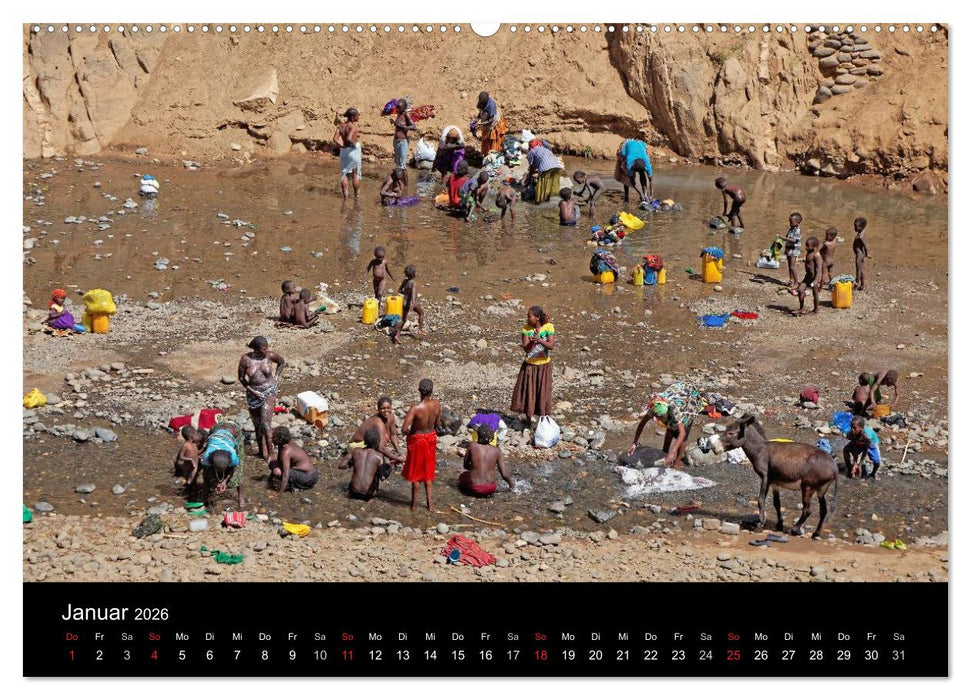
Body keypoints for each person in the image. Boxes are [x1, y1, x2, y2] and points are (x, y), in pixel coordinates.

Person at [237, 336, 286, 460]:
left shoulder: (270, 356)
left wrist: (276, 378)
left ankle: (271, 453)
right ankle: (262, 451)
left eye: (267, 348)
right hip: (253, 394)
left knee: (265, 423)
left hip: (269, 392)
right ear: (256, 349)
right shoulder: (246, 359)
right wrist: (253, 391)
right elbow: (242, 378)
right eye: (264, 349)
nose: (266, 351)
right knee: (257, 424)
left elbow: (282, 362)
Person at [627, 391, 697, 468]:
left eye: (661, 417)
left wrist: (673, 452)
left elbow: (682, 433)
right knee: (670, 430)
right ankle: (664, 453)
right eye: (658, 417)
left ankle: (677, 461)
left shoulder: (674, 411)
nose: (658, 419)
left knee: (681, 439)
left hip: (686, 408)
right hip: (671, 413)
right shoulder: (654, 410)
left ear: (666, 413)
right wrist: (634, 443)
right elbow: (641, 425)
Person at [511, 306, 555, 428]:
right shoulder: (526, 329)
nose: (527, 318)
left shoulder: (548, 327)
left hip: (544, 366)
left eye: (529, 316)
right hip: (530, 365)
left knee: (543, 391)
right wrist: (531, 341)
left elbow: (551, 346)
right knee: (529, 391)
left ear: (537, 318)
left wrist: (539, 340)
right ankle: (529, 419)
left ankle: (542, 418)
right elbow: (525, 348)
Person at [401, 379, 441, 510]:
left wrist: (410, 433)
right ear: (432, 391)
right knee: (428, 472)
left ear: (419, 390)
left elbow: (403, 429)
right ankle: (430, 504)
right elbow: (437, 425)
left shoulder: (415, 408)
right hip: (430, 439)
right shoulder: (436, 404)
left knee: (416, 474)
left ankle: (413, 505)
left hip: (417, 441)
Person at [336, 396, 404, 470]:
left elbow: (393, 435)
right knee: (379, 447)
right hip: (356, 444)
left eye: (388, 408)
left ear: (391, 407)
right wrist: (397, 458)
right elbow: (381, 448)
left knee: (385, 437)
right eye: (383, 408)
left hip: (368, 443)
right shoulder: (378, 422)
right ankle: (356, 459)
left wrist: (399, 452)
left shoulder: (391, 417)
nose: (386, 410)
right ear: (378, 409)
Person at [459, 424, 515, 497]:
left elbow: (465, 465)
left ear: (478, 435)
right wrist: (512, 486)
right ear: (491, 436)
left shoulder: (472, 446)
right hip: (491, 489)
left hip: (475, 488)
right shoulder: (497, 450)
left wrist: (475, 469)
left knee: (462, 477)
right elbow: (504, 474)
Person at [200, 421, 245, 509]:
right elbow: (208, 469)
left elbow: (235, 468)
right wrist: (214, 481)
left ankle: (241, 496)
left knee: (239, 470)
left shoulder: (233, 456)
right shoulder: (206, 456)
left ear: (229, 462)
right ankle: (206, 496)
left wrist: (225, 481)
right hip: (216, 429)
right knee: (206, 474)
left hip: (234, 431)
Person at [340, 427, 392, 501]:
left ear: (364, 440)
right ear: (378, 441)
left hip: (353, 492)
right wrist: (389, 468)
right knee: (376, 470)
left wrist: (353, 463)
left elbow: (341, 466)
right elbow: (382, 478)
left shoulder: (355, 451)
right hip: (367, 495)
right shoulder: (379, 456)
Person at [268, 426, 319, 492]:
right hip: (312, 474)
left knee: (277, 471)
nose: (271, 439)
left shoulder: (286, 452)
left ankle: (291, 486)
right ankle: (287, 483)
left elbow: (285, 475)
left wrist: (280, 494)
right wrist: (269, 480)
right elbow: (279, 461)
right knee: (273, 464)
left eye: (273, 437)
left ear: (280, 439)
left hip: (309, 478)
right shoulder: (285, 444)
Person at [334, 108, 361, 200]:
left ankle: (345, 196)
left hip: (344, 152)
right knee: (355, 174)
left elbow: (335, 139)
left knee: (344, 174)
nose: (359, 117)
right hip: (353, 151)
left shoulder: (340, 126)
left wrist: (341, 146)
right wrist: (354, 145)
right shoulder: (352, 126)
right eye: (357, 115)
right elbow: (349, 138)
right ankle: (356, 196)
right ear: (352, 117)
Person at [394, 264, 425, 343]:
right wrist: (412, 304)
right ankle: (420, 330)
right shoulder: (414, 283)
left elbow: (399, 291)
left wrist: (406, 294)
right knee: (421, 313)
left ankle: (397, 335)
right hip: (411, 303)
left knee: (403, 320)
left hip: (404, 303)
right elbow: (414, 295)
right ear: (414, 273)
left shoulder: (405, 281)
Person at [844, 415, 881, 479]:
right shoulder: (851, 434)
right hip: (858, 443)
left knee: (876, 461)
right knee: (845, 449)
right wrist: (855, 463)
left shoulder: (867, 436)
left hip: (871, 444)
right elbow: (854, 447)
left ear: (861, 428)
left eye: (854, 428)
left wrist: (859, 464)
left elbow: (865, 450)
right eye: (851, 427)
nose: (852, 430)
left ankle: (873, 473)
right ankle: (850, 469)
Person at [792, 236, 822, 316]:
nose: (805, 247)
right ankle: (801, 308)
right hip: (808, 277)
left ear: (814, 247)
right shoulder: (809, 253)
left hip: (814, 277)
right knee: (800, 290)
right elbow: (809, 262)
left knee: (815, 293)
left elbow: (819, 268)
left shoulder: (816, 255)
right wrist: (803, 260)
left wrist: (816, 280)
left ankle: (816, 310)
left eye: (807, 245)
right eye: (806, 245)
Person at [472, 91, 508, 155]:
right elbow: (480, 112)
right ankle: (486, 155)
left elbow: (491, 120)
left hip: (493, 124)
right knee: (486, 142)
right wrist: (477, 119)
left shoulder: (492, 105)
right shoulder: (481, 102)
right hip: (486, 123)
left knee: (494, 143)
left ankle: (494, 155)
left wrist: (481, 124)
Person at [392, 99, 417, 185]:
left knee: (403, 166)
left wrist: (404, 127)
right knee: (398, 164)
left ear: (404, 108)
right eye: (397, 108)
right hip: (396, 141)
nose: (397, 109)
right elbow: (398, 124)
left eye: (399, 108)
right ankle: (400, 184)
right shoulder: (399, 114)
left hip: (403, 142)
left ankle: (406, 186)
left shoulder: (406, 115)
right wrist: (395, 123)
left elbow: (414, 127)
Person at [173, 425, 201, 491]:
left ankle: (191, 490)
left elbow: (197, 453)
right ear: (192, 436)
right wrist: (190, 459)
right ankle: (188, 489)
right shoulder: (185, 445)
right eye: (196, 434)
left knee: (193, 479)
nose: (198, 436)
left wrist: (204, 449)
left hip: (194, 465)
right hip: (187, 465)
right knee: (190, 479)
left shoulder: (194, 444)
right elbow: (181, 456)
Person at [784, 212, 803, 288]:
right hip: (789, 249)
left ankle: (796, 282)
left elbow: (794, 240)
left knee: (792, 266)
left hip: (794, 250)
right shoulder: (791, 229)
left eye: (791, 222)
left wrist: (783, 238)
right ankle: (791, 280)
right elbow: (787, 237)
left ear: (797, 222)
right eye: (789, 222)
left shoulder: (797, 231)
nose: (790, 223)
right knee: (789, 266)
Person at [853, 217, 871, 291]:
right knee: (861, 270)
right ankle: (862, 286)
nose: (854, 228)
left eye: (856, 227)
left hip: (859, 255)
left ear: (861, 227)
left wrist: (867, 254)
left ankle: (856, 285)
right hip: (860, 254)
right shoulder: (861, 232)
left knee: (858, 270)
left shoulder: (861, 237)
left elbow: (865, 245)